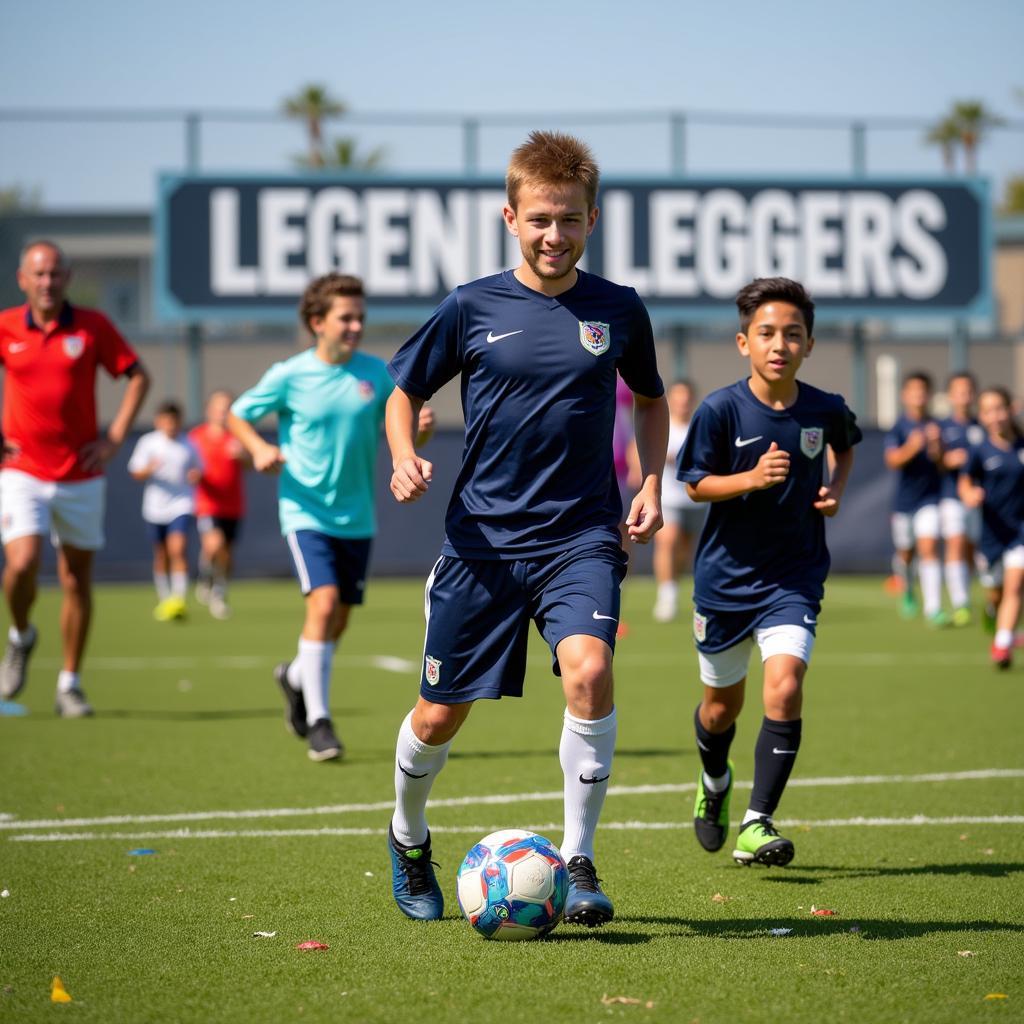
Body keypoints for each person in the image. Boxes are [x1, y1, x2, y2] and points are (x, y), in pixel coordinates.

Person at [384, 131, 668, 927]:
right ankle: (408, 837)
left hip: (580, 537)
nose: (555, 235)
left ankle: (579, 862)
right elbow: (402, 390)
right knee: (438, 715)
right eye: (540, 218)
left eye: (570, 220)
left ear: (592, 220)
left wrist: (650, 480)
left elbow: (650, 398)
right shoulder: (471, 306)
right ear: (511, 216)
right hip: (481, 544)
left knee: (589, 670)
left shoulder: (618, 309)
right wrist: (404, 454)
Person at [677, 276, 860, 867]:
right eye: (766, 333)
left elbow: (846, 444)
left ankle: (758, 823)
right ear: (743, 343)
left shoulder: (824, 408)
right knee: (719, 709)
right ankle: (713, 783)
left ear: (808, 344)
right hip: (725, 583)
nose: (779, 344)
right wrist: (751, 479)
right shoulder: (720, 410)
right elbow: (697, 484)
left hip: (793, 577)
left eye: (792, 334)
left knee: (784, 687)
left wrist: (835, 486)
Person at [229, 273, 432, 762]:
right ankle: (320, 722)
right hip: (305, 512)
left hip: (357, 517)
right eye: (346, 317)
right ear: (317, 322)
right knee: (321, 606)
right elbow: (238, 414)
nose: (356, 325)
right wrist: (258, 447)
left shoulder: (376, 374)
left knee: (338, 618)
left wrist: (419, 435)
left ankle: (296, 676)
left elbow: (400, 431)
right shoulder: (289, 374)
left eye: (360, 317)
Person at [0, 240, 149, 715]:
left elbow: (137, 376)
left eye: (55, 274)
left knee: (75, 578)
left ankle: (70, 682)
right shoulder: (5, 326)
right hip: (21, 470)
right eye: (38, 274)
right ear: (23, 279)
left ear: (66, 277)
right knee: (22, 563)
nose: (48, 282)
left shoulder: (92, 326)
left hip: (82, 474)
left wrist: (115, 437)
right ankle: (21, 633)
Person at [959, 387, 1024, 668]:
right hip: (992, 534)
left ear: (1010, 410)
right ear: (982, 416)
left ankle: (1002, 643)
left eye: (999, 409)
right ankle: (994, 613)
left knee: (1015, 586)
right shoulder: (980, 450)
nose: (995, 416)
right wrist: (969, 494)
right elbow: (965, 481)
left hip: (1020, 531)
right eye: (988, 411)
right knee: (996, 592)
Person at [128, 400, 202, 621]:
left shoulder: (188, 444)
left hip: (181, 504)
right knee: (161, 554)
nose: (171, 425)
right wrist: (148, 469)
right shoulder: (148, 443)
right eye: (166, 420)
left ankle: (178, 600)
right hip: (154, 508)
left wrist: (195, 476)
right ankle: (164, 599)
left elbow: (199, 469)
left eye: (174, 421)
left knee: (178, 548)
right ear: (158, 421)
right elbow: (135, 473)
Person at [884, 372, 946, 625]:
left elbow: (943, 465)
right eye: (914, 391)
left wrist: (936, 447)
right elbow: (893, 460)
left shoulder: (938, 426)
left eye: (923, 391)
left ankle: (934, 608)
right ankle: (908, 589)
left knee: (929, 548)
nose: (919, 396)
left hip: (931, 499)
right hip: (904, 503)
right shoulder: (899, 427)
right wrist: (913, 445)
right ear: (905, 396)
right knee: (906, 553)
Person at [189, 390, 248, 620]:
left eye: (228, 408)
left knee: (227, 555)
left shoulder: (237, 437)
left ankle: (219, 590)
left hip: (233, 505)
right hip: (207, 503)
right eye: (219, 407)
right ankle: (207, 579)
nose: (223, 413)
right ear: (209, 410)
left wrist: (243, 457)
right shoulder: (196, 437)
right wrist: (192, 475)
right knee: (214, 545)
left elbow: (253, 465)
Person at [653, 379, 704, 622]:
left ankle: (678, 584)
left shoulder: (700, 427)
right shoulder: (662, 425)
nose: (682, 402)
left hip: (696, 500)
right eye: (678, 397)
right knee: (668, 541)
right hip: (668, 498)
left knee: (685, 551)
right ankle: (667, 595)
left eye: (686, 397)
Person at [938, 372, 983, 627]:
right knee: (955, 544)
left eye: (968, 390)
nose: (964, 396)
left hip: (979, 500)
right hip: (951, 498)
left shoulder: (983, 425)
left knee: (972, 551)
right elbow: (935, 461)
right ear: (951, 396)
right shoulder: (942, 426)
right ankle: (960, 603)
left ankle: (977, 596)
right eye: (959, 391)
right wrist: (945, 459)